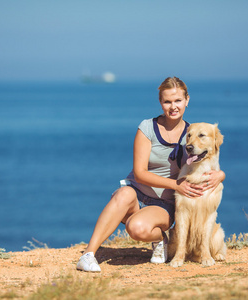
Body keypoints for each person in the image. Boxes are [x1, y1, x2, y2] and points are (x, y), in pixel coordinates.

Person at [76, 77, 226, 272]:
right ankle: (88, 255)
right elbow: (139, 173)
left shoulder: (191, 133)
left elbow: (205, 161)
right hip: (137, 193)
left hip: (163, 204)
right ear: (160, 102)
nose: (173, 106)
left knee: (136, 228)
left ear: (187, 100)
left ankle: (160, 239)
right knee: (122, 194)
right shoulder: (147, 127)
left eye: (178, 100)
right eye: (167, 101)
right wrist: (175, 185)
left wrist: (221, 174)